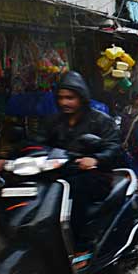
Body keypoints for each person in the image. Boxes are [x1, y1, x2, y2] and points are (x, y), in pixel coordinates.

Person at [33, 71, 121, 247]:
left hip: (94, 175)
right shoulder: (52, 121)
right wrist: (9, 158)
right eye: (61, 98)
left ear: (81, 97)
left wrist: (95, 159)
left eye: (70, 98)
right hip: (58, 173)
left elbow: (114, 147)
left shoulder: (100, 120)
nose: (64, 102)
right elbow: (37, 144)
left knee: (78, 188)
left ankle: (84, 239)